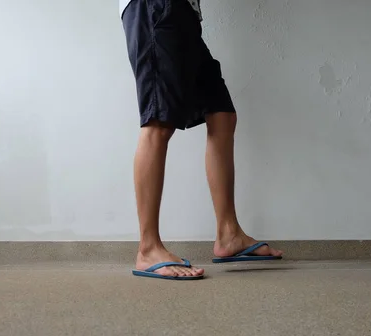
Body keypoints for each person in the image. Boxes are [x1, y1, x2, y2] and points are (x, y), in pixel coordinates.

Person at [120, 0, 283, 280]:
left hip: (183, 11)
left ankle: (228, 234)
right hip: (154, 7)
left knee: (221, 115)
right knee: (158, 121)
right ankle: (148, 248)